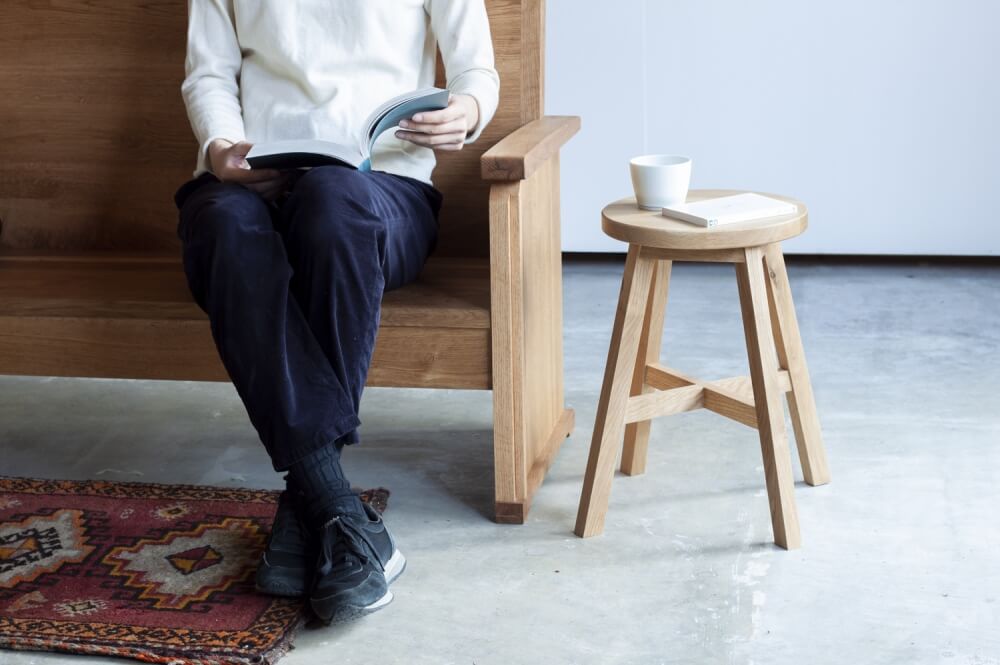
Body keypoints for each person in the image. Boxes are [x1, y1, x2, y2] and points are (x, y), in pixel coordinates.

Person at [173, 0, 500, 625]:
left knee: (331, 201)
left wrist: (467, 112)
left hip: (380, 190)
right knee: (222, 226)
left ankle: (311, 501)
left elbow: (475, 73)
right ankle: (336, 509)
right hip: (251, 179)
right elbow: (208, 74)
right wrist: (220, 151)